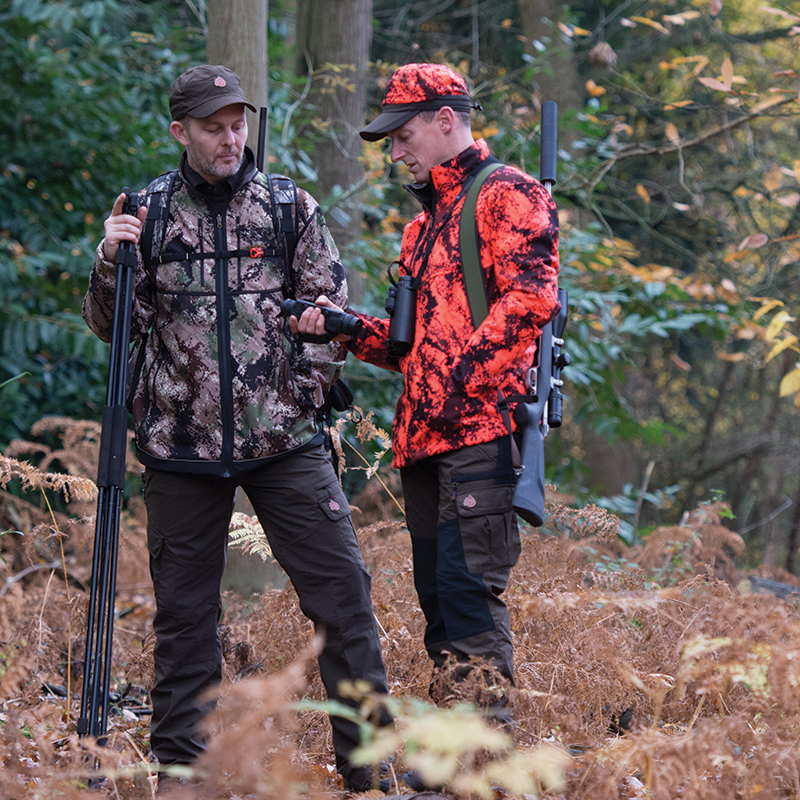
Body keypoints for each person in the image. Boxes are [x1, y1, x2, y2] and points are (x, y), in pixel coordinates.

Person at [82, 64, 390, 794]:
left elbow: (330, 311)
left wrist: (301, 392)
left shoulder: (288, 207)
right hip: (179, 448)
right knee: (185, 622)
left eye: (237, 124)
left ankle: (368, 772)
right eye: (213, 127)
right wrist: (111, 258)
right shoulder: (149, 212)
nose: (229, 138)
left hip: (285, 444)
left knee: (344, 600)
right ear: (180, 132)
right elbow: (111, 326)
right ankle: (181, 775)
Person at [293, 62, 560, 726]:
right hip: (423, 444)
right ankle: (451, 757)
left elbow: (532, 301)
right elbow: (412, 349)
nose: (396, 152)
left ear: (446, 121)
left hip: (479, 437)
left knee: (469, 604)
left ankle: (483, 759)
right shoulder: (422, 227)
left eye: (403, 136)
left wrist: (461, 384)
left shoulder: (508, 195)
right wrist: (343, 327)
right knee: (439, 606)